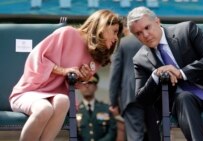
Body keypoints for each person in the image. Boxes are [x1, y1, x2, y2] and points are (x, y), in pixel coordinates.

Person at [127, 6, 203, 141]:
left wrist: (181, 73)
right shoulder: (140, 59)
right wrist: (155, 75)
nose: (145, 35)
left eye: (147, 28)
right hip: (183, 101)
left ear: (157, 22)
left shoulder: (186, 29)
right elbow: (142, 98)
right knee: (184, 97)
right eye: (138, 33)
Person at [9, 9, 123, 141]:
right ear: (103, 25)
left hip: (56, 97)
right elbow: (36, 59)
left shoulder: (96, 57)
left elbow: (72, 83)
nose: (116, 38)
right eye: (115, 32)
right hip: (29, 92)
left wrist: (82, 79)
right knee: (44, 109)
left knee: (63, 100)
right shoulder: (67, 33)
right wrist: (63, 70)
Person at [109, 17, 161, 141]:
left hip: (132, 95)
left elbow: (115, 74)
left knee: (135, 136)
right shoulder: (153, 39)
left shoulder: (122, 44)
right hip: (154, 94)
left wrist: (113, 102)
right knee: (156, 135)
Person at [76, 73, 117, 141]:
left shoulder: (106, 109)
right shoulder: (76, 111)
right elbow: (73, 134)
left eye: (90, 83)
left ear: (96, 87)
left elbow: (112, 132)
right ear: (79, 87)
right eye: (83, 83)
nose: (87, 86)